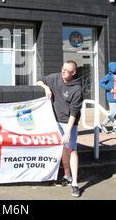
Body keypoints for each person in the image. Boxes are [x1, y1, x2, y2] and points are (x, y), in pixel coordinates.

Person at [36, 60, 83, 197]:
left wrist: (67, 132)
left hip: (69, 122)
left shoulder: (77, 89)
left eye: (66, 71)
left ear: (73, 73)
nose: (63, 72)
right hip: (55, 121)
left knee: (71, 149)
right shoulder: (55, 77)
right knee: (63, 148)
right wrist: (46, 88)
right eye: (63, 69)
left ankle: (74, 183)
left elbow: (74, 113)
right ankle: (66, 175)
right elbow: (38, 80)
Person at [99, 62, 116, 134]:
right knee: (113, 113)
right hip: (111, 96)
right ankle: (103, 124)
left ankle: (115, 128)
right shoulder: (109, 76)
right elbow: (101, 83)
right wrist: (109, 89)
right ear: (113, 68)